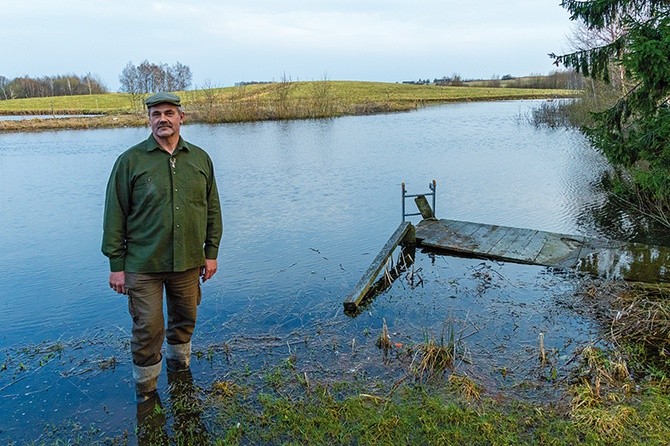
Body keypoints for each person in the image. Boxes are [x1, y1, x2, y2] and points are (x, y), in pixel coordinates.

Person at [102, 92, 223, 402]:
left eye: (169, 113)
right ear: (149, 120)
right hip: (143, 264)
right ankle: (147, 393)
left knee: (185, 319)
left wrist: (211, 254)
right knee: (148, 329)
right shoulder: (130, 161)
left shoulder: (199, 159)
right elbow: (114, 214)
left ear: (181, 117)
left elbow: (212, 209)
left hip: (187, 261)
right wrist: (116, 265)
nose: (163, 119)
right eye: (156, 114)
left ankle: (180, 370)